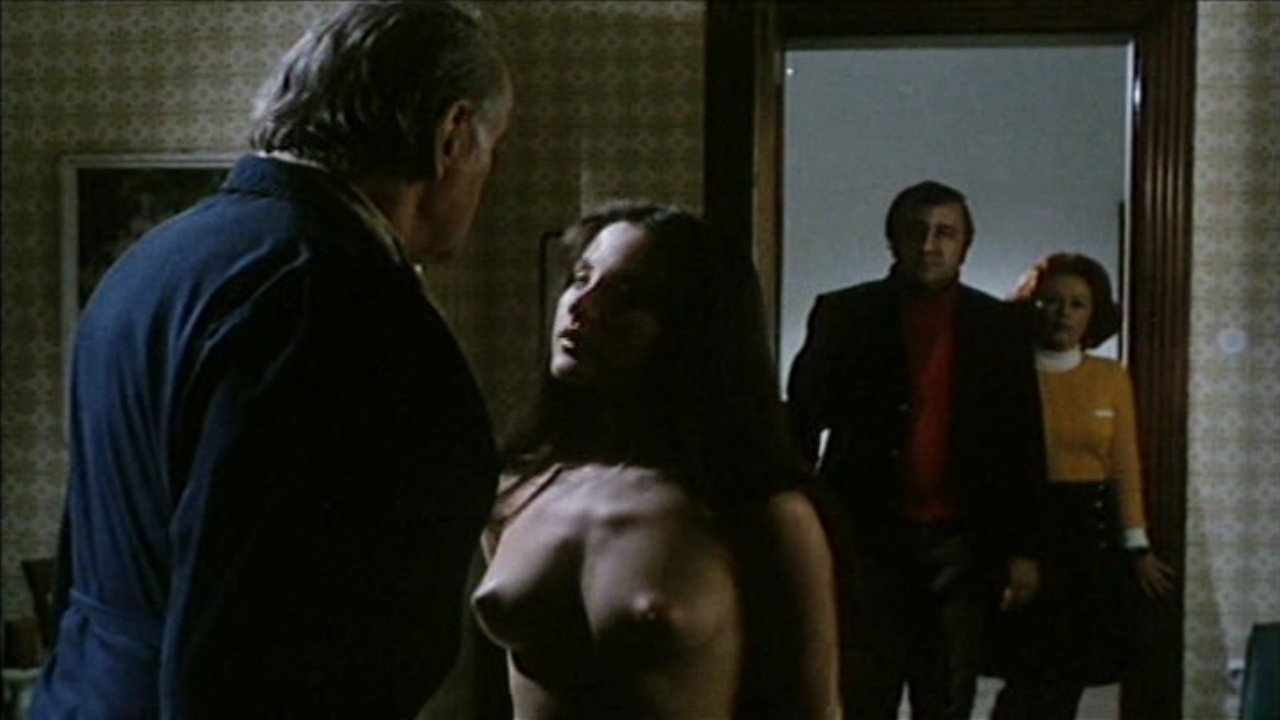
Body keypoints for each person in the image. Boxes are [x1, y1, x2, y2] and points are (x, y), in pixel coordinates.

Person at [31, 2, 512, 717]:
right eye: (493, 147)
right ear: (452, 133)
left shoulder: (156, 257)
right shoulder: (332, 293)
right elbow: (255, 639)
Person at [469, 202, 842, 719]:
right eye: (581, 278)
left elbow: (812, 710)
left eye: (627, 297)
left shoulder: (755, 511)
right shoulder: (518, 487)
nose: (581, 306)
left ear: (690, 328)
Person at [786, 180, 1047, 719]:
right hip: (866, 534)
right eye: (916, 231)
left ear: (965, 245)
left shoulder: (1000, 327)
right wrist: (796, 523)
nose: (930, 245)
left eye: (945, 233)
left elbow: (1022, 439)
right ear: (893, 240)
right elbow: (802, 423)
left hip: (963, 542)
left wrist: (1024, 548)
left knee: (948, 694)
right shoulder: (844, 314)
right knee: (864, 692)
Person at [989, 252, 1176, 719]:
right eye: (1052, 301)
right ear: (1032, 306)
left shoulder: (1109, 378)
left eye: (1077, 304)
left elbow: (1124, 468)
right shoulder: (1008, 375)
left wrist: (1137, 545)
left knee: (1069, 675)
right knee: (1024, 675)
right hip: (1026, 530)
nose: (1064, 314)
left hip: (1088, 538)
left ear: (1094, 314)